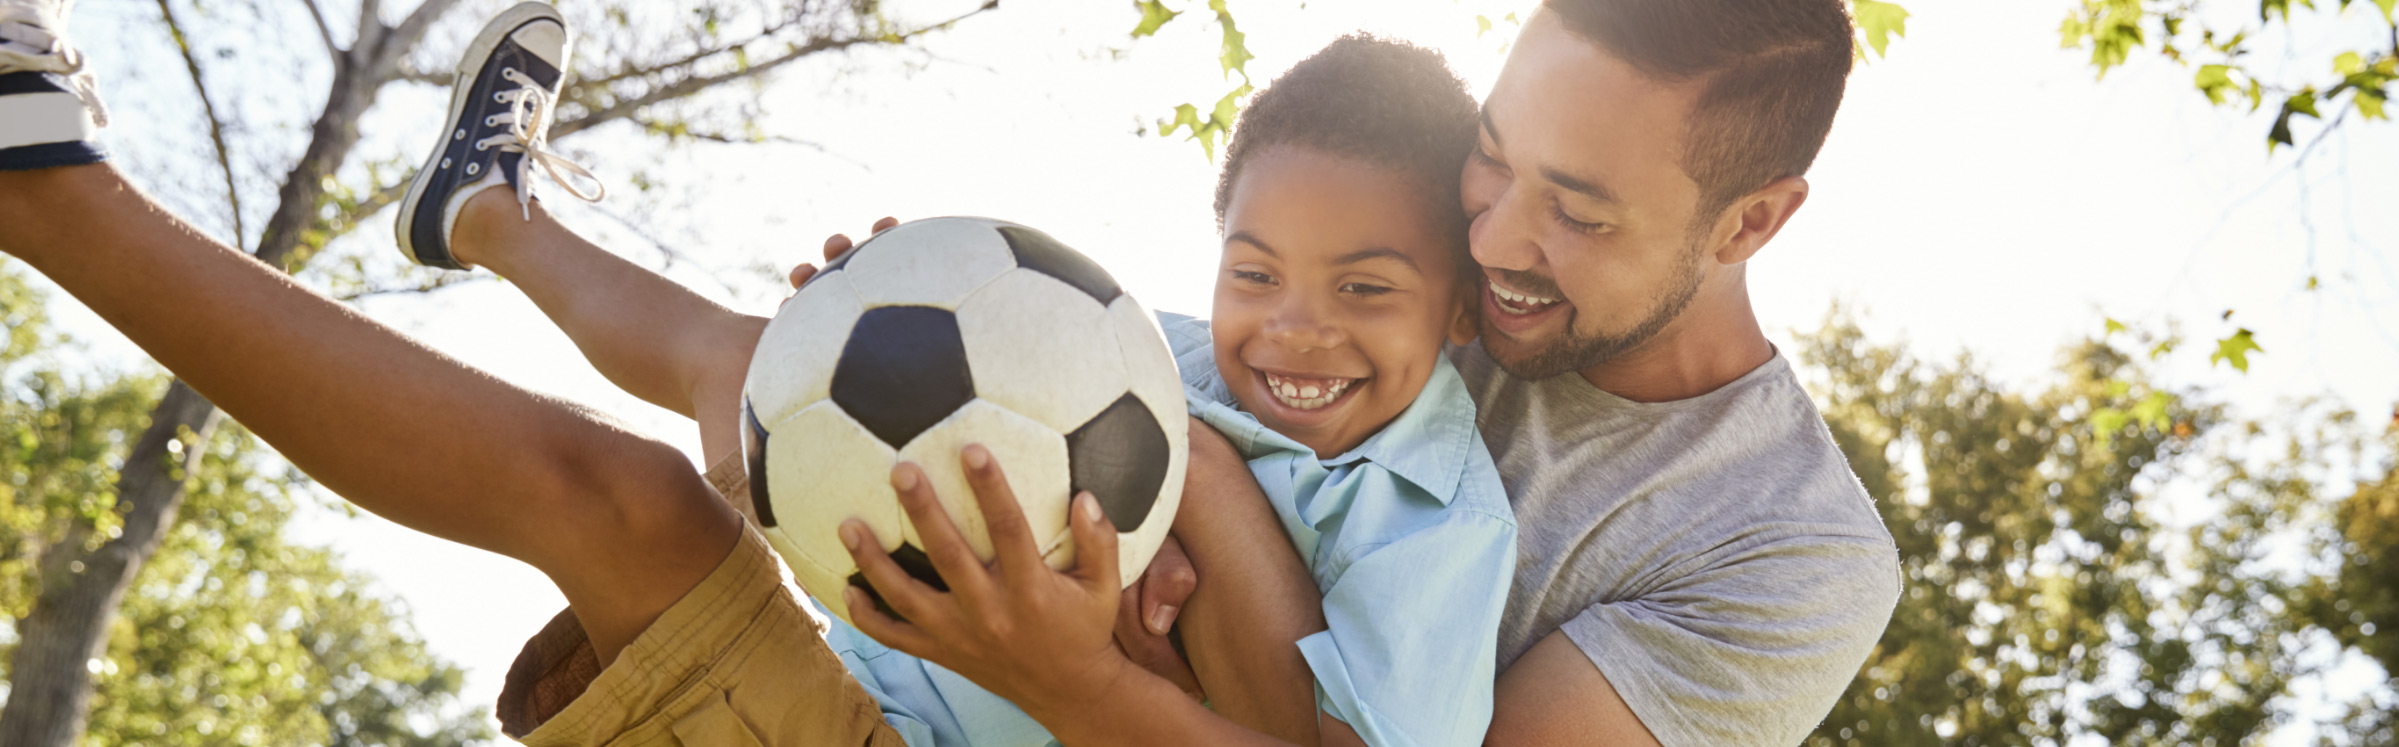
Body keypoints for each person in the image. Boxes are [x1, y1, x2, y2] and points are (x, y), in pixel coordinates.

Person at [1, 1, 1517, 744]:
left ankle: (39, 182)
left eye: (1363, 291)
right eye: (1254, 272)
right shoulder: (1156, 355)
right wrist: (853, 342)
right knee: (749, 368)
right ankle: (484, 210)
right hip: (865, 656)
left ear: (1454, 307)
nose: (1292, 332)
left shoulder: (1439, 513)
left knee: (616, 496)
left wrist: (1100, 633)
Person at [901, 2, 1906, 746]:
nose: (1492, 234)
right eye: (1493, 155)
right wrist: (884, 321)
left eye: (1577, 213)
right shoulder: (1401, 260)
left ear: (1751, 221)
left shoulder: (1788, 549)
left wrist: (1190, 500)